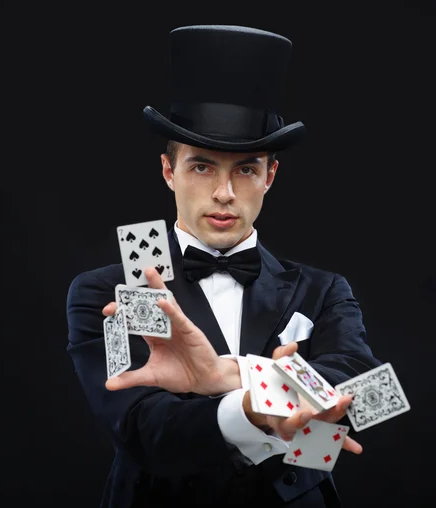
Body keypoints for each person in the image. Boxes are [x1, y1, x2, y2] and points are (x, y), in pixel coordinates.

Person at [66, 25, 382, 507]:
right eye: (202, 166)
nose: (224, 193)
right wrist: (254, 405)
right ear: (169, 171)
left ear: (270, 176)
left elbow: (364, 390)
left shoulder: (323, 290)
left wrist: (230, 376)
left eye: (246, 169)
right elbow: (142, 429)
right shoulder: (111, 291)